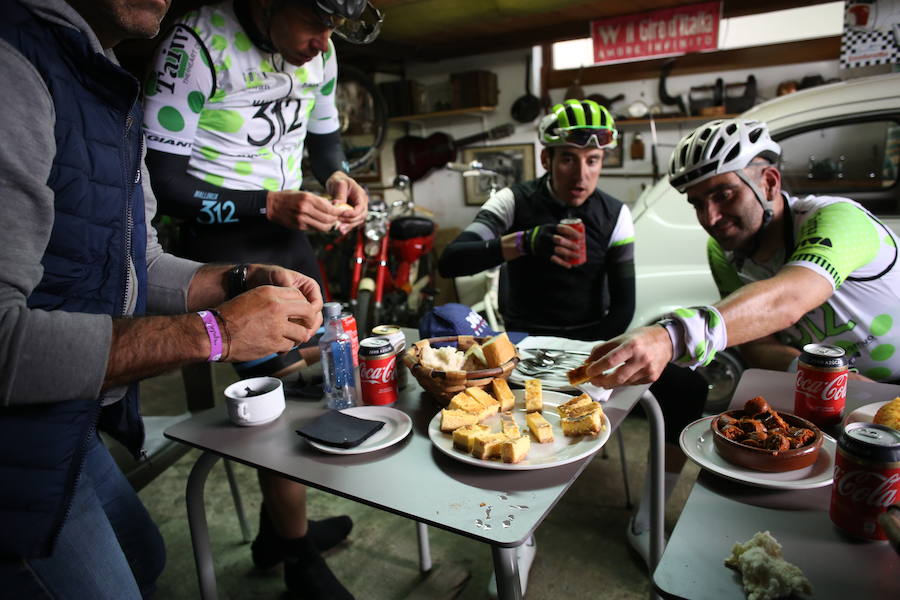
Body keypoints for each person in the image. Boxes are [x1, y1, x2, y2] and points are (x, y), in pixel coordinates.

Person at [0, 0, 326, 598]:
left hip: (70, 419)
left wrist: (240, 279)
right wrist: (213, 332)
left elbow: (139, 263)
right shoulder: (14, 67)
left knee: (147, 558)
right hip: (17, 441)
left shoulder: (102, 83)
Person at [141, 1, 383, 597]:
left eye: (332, 31)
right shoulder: (194, 42)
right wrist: (266, 203)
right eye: (313, 24)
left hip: (291, 232)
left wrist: (338, 178)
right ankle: (297, 558)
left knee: (320, 384)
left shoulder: (321, 50)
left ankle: (278, 532)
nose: (321, 43)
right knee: (269, 401)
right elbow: (160, 181)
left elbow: (325, 144)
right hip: (224, 245)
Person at [438, 99, 707, 580]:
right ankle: (515, 528)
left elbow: (624, 307)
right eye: (568, 158)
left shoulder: (614, 213)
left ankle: (648, 520)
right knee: (493, 404)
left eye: (593, 160)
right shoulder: (512, 201)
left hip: (588, 343)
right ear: (546, 159)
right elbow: (452, 260)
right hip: (522, 339)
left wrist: (593, 364)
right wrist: (524, 242)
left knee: (688, 387)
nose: (581, 174)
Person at [582, 117, 900, 390]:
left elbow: (785, 300)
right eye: (697, 203)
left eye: (724, 195)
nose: (710, 218)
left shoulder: (837, 218)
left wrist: (672, 337)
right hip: (833, 389)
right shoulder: (724, 251)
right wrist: (826, 376)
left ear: (770, 183)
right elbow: (757, 344)